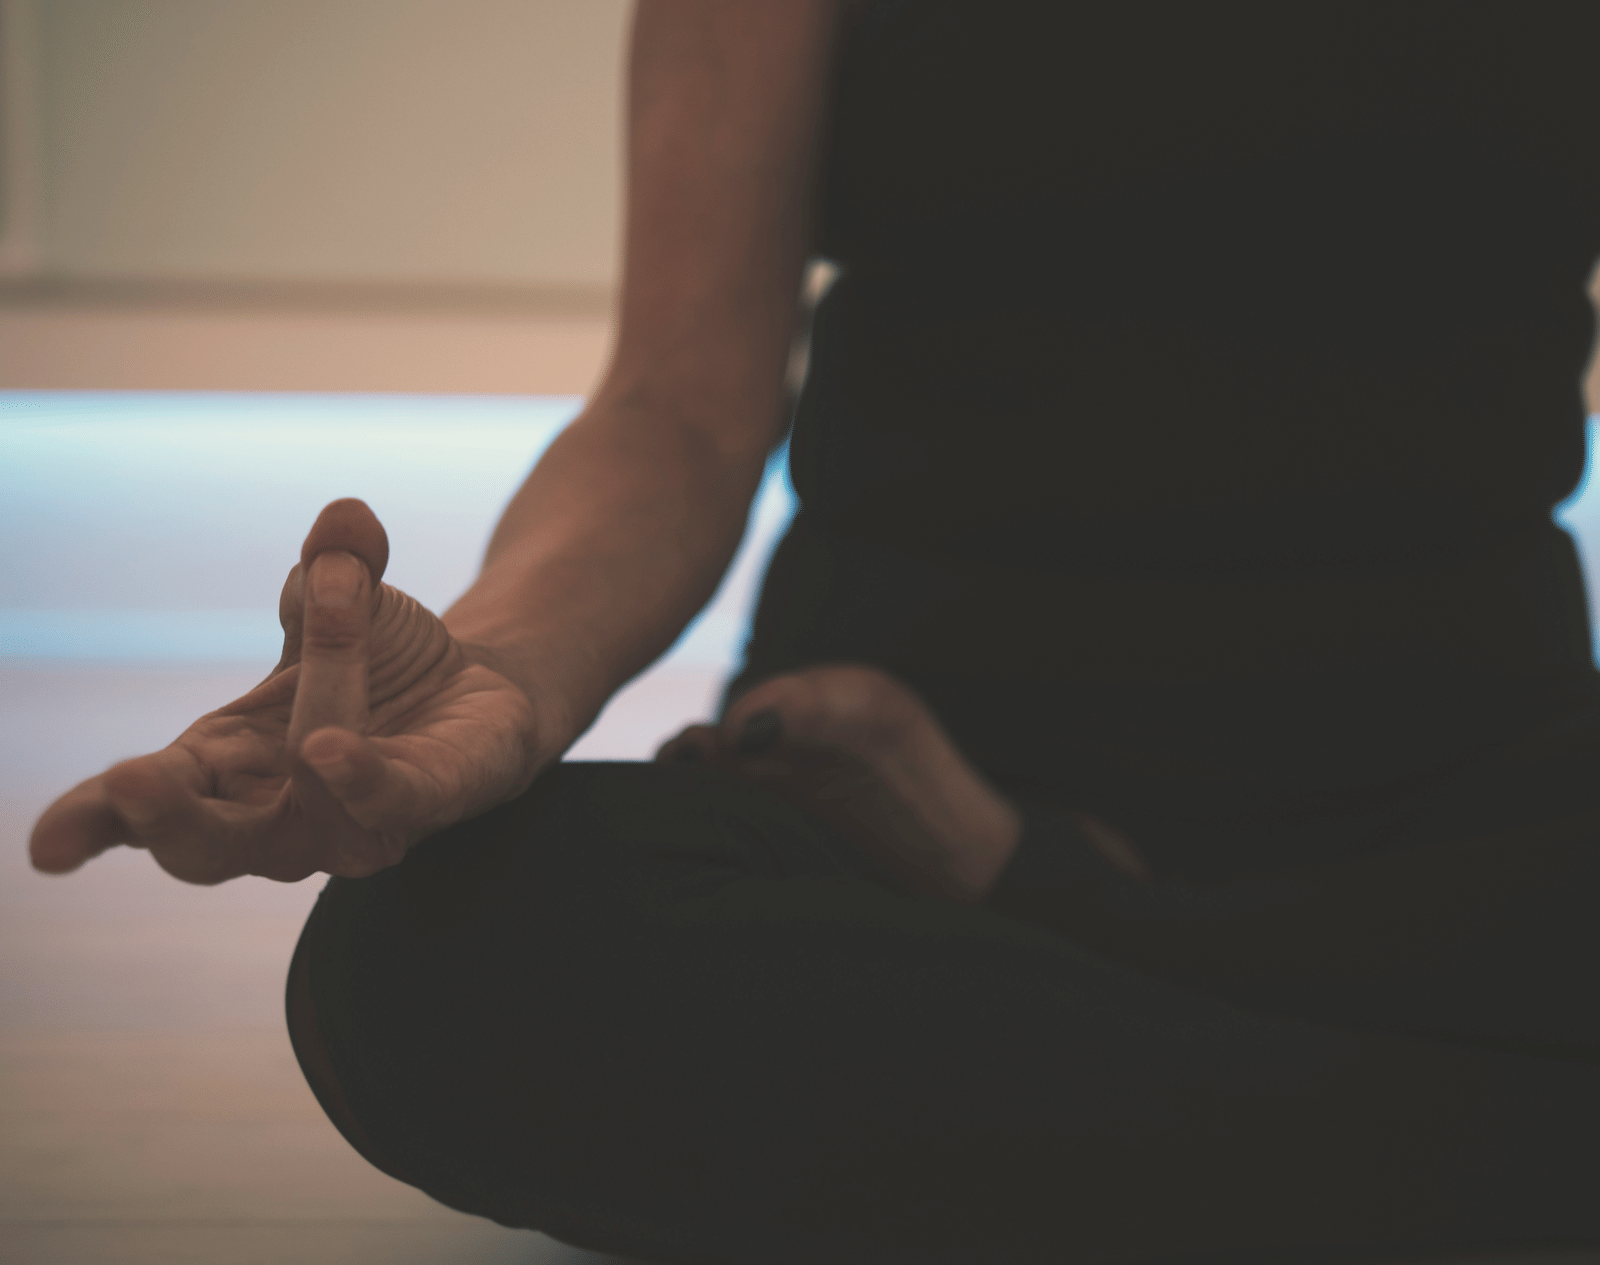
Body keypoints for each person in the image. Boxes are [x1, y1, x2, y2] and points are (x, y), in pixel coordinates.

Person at [28, 2, 1600, 1261]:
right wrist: (503, 670)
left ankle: (1075, 962)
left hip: (1461, 792)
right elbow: (679, 405)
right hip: (881, 793)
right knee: (432, 968)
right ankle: (1500, 1144)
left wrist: (1039, 901)